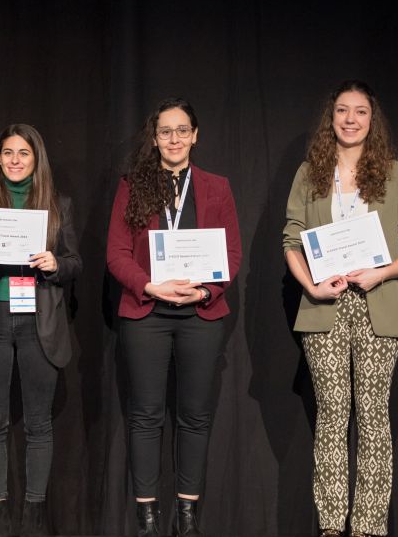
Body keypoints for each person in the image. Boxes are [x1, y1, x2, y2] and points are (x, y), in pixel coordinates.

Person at [283, 80, 398, 537]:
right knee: (331, 415)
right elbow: (291, 240)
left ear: (371, 119)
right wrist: (313, 286)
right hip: (324, 306)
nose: (350, 119)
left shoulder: (395, 172)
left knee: (373, 417)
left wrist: (379, 274)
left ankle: (367, 527)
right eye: (342, 110)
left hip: (376, 306)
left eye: (360, 111)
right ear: (331, 117)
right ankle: (330, 525)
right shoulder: (311, 172)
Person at [106, 98, 242, 537]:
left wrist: (206, 290)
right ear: (155, 137)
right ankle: (147, 521)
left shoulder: (217, 187)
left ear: (196, 135)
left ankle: (187, 520)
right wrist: (150, 286)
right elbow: (116, 254)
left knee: (195, 416)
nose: (175, 138)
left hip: (201, 314)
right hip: (147, 312)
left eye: (182, 130)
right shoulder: (133, 184)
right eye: (166, 131)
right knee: (146, 415)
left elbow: (232, 254)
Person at [0, 124, 81, 536]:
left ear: (35, 159)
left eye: (23, 153)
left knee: (38, 423)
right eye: (7, 152)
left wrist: (56, 265)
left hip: (38, 320)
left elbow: (74, 262)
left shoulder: (58, 205)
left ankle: (34, 516)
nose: (14, 160)